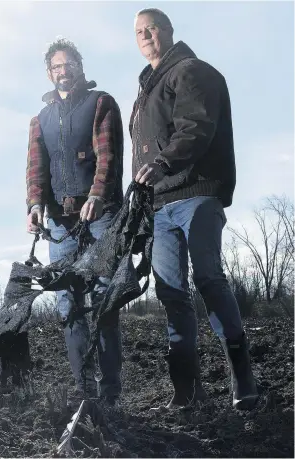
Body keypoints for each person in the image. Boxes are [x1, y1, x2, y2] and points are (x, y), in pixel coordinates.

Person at [130, 8, 258, 410]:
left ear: (168, 31)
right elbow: (141, 156)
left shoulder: (192, 71)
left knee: (208, 278)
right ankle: (187, 390)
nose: (147, 35)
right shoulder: (145, 88)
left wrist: (166, 163)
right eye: (140, 32)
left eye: (153, 28)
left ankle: (244, 382)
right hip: (161, 205)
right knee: (171, 292)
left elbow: (197, 127)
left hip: (197, 193)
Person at [26, 38, 125, 405]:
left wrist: (98, 195)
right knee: (68, 302)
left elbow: (108, 155)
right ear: (49, 73)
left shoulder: (100, 103)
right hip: (60, 224)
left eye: (68, 64)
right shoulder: (41, 120)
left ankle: (111, 388)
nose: (62, 71)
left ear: (80, 67)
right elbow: (36, 168)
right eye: (56, 66)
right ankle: (84, 387)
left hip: (99, 216)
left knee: (103, 298)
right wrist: (35, 205)